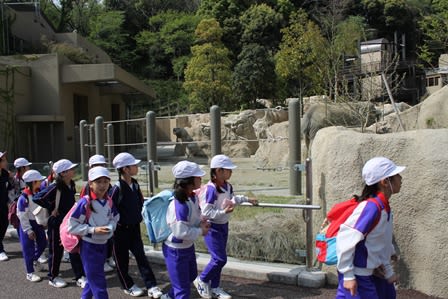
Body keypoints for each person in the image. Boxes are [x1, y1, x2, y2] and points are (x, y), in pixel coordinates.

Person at [336, 157, 405, 299]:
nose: (401, 178)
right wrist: (348, 276)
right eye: (396, 175)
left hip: (373, 271)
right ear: (385, 182)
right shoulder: (371, 208)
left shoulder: (383, 207)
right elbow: (345, 239)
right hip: (359, 275)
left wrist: (389, 253)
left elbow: (379, 237)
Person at [195, 154, 258, 299]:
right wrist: (223, 211)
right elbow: (207, 212)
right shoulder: (211, 189)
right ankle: (202, 279)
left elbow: (232, 199)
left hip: (223, 225)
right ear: (218, 171)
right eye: (228, 169)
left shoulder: (227, 186)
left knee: (218, 259)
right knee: (219, 259)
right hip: (212, 228)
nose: (231, 172)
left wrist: (247, 199)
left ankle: (215, 287)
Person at [110, 152, 163, 298]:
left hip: (134, 228)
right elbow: (110, 208)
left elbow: (139, 202)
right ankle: (128, 285)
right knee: (122, 261)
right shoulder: (116, 188)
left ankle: (151, 285)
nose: (136, 167)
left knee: (141, 257)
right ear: (125, 169)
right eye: (133, 165)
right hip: (120, 231)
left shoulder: (135, 184)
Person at [33, 159, 86, 288]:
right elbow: (37, 197)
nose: (73, 170)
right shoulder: (55, 187)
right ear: (63, 173)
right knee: (56, 250)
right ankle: (53, 277)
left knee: (74, 248)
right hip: (56, 223)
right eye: (70, 169)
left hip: (69, 222)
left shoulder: (71, 184)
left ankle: (80, 276)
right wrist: (52, 207)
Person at [67, 166, 119, 299]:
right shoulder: (84, 202)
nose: (102, 185)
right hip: (89, 247)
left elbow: (115, 218)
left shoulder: (109, 201)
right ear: (90, 183)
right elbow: (72, 227)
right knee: (99, 285)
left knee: (93, 280)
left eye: (105, 181)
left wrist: (111, 227)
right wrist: (93, 230)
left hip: (103, 245)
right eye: (98, 182)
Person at [163, 161, 210, 299]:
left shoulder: (192, 197)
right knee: (183, 290)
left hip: (187, 247)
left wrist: (201, 222)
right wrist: (201, 231)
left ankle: (169, 296)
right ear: (189, 181)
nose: (201, 178)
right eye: (198, 176)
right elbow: (180, 232)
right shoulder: (179, 204)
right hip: (176, 250)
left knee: (189, 277)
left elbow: (193, 218)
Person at [80, 154, 116, 273]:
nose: (102, 185)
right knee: (95, 277)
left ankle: (108, 258)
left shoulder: (107, 187)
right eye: (96, 165)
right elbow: (75, 222)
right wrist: (92, 229)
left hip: (104, 230)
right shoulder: (87, 191)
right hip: (90, 237)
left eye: (102, 165)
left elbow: (113, 212)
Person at [17, 169, 48, 282]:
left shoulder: (38, 193)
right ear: (33, 182)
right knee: (28, 248)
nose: (41, 182)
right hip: (27, 225)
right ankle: (29, 272)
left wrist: (44, 222)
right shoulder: (23, 198)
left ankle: (34, 260)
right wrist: (28, 230)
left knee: (43, 243)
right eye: (39, 181)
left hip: (38, 223)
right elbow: (22, 215)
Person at [0, 151, 13, 261]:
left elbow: (8, 188)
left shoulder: (5, 174)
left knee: (4, 224)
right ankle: (0, 250)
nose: (6, 161)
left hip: (3, 204)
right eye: (3, 160)